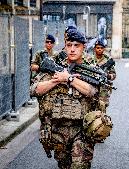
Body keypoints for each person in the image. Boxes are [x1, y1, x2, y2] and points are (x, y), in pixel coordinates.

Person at [30, 29, 98, 169]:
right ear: (64, 46)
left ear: (83, 47)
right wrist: (56, 80)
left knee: (79, 166)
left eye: (76, 45)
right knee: (64, 166)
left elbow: (92, 91)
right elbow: (34, 90)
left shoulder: (90, 70)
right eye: (69, 45)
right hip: (58, 131)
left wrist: (69, 79)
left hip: (82, 130)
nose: (72, 49)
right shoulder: (54, 66)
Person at [92, 39, 116, 114]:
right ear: (94, 49)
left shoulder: (107, 61)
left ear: (104, 49)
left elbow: (114, 74)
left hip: (103, 89)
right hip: (92, 86)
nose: (99, 50)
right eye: (98, 48)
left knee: (102, 107)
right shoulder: (89, 59)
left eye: (101, 48)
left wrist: (108, 76)